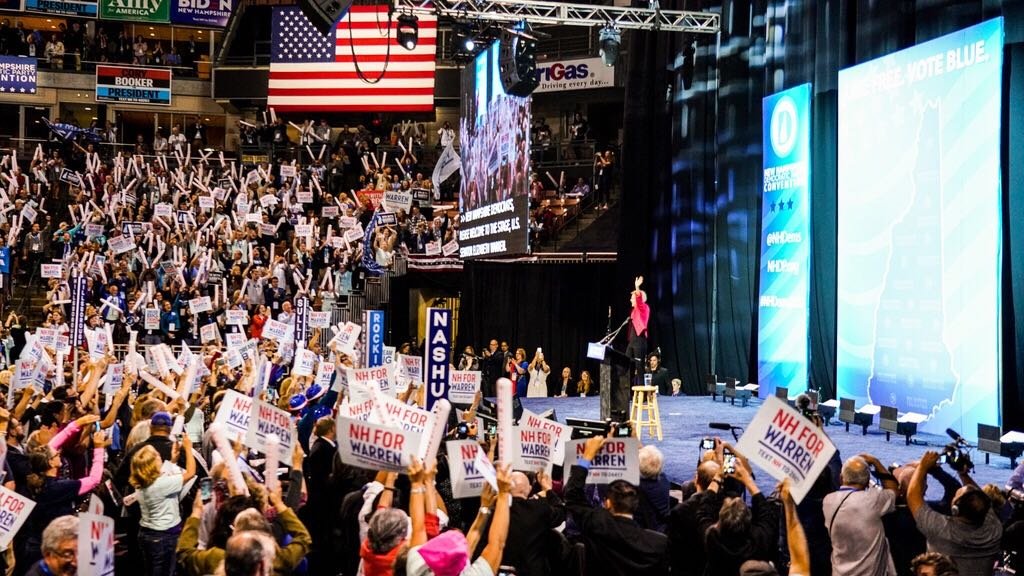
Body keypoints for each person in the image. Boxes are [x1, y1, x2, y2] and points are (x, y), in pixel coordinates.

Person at [565, 434, 668, 576]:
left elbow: (572, 497)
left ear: (607, 503)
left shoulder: (596, 526)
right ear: (635, 505)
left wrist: (587, 455)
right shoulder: (658, 543)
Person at [908, 451, 1003, 575]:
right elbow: (981, 498)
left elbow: (912, 496)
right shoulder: (994, 528)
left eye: (957, 494)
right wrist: (963, 474)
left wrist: (923, 465)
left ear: (955, 509)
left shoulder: (942, 530)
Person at [131, 433, 196, 576]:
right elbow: (191, 473)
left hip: (147, 534)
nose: (160, 455)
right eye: (157, 456)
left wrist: (173, 460)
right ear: (151, 465)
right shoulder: (160, 485)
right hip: (164, 537)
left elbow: (163, 475)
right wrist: (188, 448)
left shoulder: (142, 482)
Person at [823, 454, 899, 576]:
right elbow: (894, 490)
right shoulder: (873, 499)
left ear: (841, 478)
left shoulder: (828, 501)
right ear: (867, 480)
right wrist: (876, 462)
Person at [502, 470, 565, 576]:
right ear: (529, 489)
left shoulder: (496, 510)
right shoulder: (539, 508)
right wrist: (548, 489)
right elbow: (561, 513)